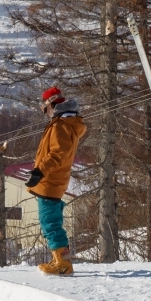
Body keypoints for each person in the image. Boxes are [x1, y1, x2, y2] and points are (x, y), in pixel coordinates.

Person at [25, 86, 87, 275]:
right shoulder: (66, 123)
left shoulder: (61, 126)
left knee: (49, 222)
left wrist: (39, 172)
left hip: (50, 181)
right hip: (54, 180)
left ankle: (63, 264)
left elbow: (58, 153)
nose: (46, 114)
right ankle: (60, 259)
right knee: (52, 221)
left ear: (51, 104)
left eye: (46, 109)